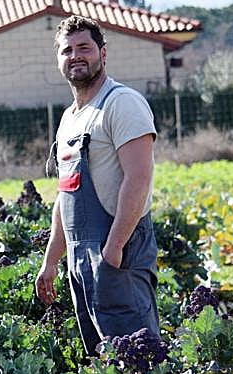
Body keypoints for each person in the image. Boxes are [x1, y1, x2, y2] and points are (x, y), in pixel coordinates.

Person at [35, 16, 160, 356]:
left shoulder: (121, 103)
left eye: (84, 48)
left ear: (103, 54)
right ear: (59, 60)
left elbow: (139, 178)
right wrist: (52, 260)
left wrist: (115, 248)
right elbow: (66, 193)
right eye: (67, 50)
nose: (76, 56)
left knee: (138, 360)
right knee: (103, 361)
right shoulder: (69, 118)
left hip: (117, 252)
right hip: (81, 258)